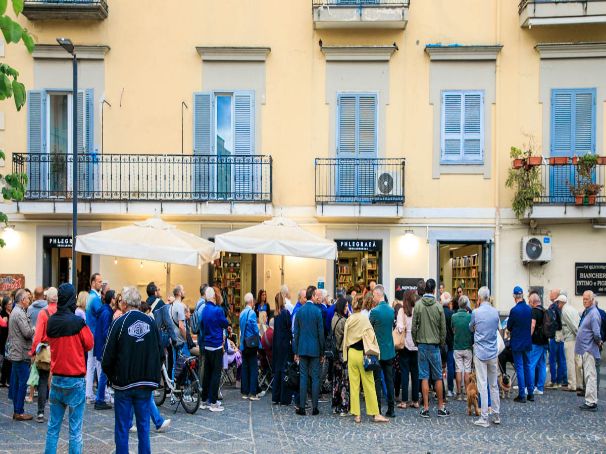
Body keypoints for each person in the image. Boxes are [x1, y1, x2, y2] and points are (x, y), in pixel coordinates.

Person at [102, 286, 162, 454]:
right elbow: (160, 351)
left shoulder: (119, 323)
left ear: (125, 303)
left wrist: (112, 377)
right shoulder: (150, 321)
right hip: (145, 382)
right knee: (144, 426)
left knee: (122, 427)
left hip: (124, 383)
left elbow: (107, 356)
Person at [44, 283, 94, 454]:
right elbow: (89, 344)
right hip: (75, 380)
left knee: (53, 428)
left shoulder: (51, 321)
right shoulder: (78, 322)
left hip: (57, 378)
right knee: (75, 430)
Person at [342, 294, 388, 423]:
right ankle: (375, 413)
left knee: (354, 385)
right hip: (363, 354)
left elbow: (345, 338)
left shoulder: (349, 319)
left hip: (351, 353)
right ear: (362, 305)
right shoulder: (364, 319)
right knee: (369, 384)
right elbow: (371, 336)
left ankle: (356, 414)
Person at [411, 279, 449, 418]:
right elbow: (443, 329)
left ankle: (426, 408)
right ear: (434, 291)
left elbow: (413, 327)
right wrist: (441, 342)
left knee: (424, 376)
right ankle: (440, 407)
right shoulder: (438, 307)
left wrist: (416, 341)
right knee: (438, 376)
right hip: (434, 345)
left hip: (422, 345)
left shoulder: (419, 305)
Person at [468, 287, 501, 427]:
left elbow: (470, 327)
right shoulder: (495, 312)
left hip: (481, 352)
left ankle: (484, 417)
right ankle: (497, 414)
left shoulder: (476, 312)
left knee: (482, 384)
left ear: (479, 298)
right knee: (494, 384)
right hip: (493, 352)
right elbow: (498, 328)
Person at [293, 286, 324, 416]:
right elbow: (320, 333)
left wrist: (296, 352)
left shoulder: (300, 311)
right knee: (316, 378)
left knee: (303, 377)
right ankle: (315, 407)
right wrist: (322, 352)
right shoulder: (317, 312)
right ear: (313, 296)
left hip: (302, 349)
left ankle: (302, 407)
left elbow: (296, 333)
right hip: (315, 349)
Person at [30, 287, 58, 422]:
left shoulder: (43, 313)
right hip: (59, 350)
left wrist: (33, 351)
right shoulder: (61, 312)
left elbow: (38, 336)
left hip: (46, 350)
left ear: (47, 298)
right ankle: (56, 411)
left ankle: (41, 412)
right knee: (57, 381)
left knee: (42, 380)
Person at [200, 286, 229, 412]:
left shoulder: (204, 310)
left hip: (207, 344)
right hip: (216, 345)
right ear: (213, 297)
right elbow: (225, 323)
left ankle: (203, 400)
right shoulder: (218, 310)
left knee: (207, 373)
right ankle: (213, 402)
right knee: (216, 374)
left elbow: (201, 325)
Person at [369, 284, 396, 417]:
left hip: (378, 351)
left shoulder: (375, 312)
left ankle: (378, 409)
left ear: (378, 295)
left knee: (377, 381)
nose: (373, 297)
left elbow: (370, 328)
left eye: (374, 295)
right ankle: (391, 409)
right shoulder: (391, 310)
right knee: (389, 380)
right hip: (389, 350)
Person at [7, 288, 34, 421]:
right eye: (28, 298)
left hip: (17, 351)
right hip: (20, 352)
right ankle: (19, 411)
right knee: (23, 381)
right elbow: (27, 332)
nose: (29, 300)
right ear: (22, 300)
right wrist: (35, 328)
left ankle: (17, 410)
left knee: (17, 381)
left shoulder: (16, 311)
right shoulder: (19, 313)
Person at [575, 290, 602, 411]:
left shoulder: (594, 313)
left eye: (586, 299)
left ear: (592, 300)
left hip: (589, 348)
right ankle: (589, 400)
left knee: (590, 375)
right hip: (586, 348)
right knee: (588, 375)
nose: (584, 301)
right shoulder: (588, 312)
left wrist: (598, 342)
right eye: (583, 299)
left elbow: (596, 333)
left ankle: (591, 402)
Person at [507, 286, 533, 403]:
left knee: (520, 367)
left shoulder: (514, 310)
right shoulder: (529, 309)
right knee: (527, 366)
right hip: (527, 341)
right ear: (522, 296)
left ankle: (522, 394)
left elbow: (509, 326)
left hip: (517, 342)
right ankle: (531, 393)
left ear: (514, 297)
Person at [396, 290, 419, 409]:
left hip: (404, 345)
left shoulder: (402, 310)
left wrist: (402, 328)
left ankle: (404, 401)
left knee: (404, 372)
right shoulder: (417, 309)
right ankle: (415, 400)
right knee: (415, 373)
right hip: (415, 345)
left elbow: (400, 328)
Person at [94, 290, 115, 410]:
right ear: (111, 299)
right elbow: (106, 331)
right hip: (104, 346)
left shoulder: (104, 310)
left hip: (101, 345)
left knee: (104, 374)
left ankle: (100, 398)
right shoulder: (107, 312)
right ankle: (100, 400)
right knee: (104, 374)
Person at [272, 292, 293, 406]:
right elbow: (289, 328)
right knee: (285, 370)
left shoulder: (276, 314)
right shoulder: (286, 313)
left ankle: (276, 396)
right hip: (285, 344)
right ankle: (284, 397)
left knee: (278, 370)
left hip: (277, 344)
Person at [85, 273, 103, 404]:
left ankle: (88, 393)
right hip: (95, 335)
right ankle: (99, 393)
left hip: (90, 334)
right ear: (93, 282)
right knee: (97, 364)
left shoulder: (90, 296)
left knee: (91, 364)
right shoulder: (95, 298)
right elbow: (101, 313)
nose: (101, 284)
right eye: (99, 282)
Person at [240, 292, 261, 401]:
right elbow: (255, 330)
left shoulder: (242, 313)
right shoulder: (252, 313)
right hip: (251, 344)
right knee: (253, 368)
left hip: (243, 344)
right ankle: (253, 393)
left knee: (245, 368)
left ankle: (244, 392)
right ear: (252, 302)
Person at [558, 293, 581, 392]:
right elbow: (579, 321)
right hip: (576, 339)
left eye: (558, 302)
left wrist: (578, 334)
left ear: (561, 302)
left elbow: (572, 325)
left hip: (570, 339)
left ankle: (572, 385)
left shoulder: (565, 311)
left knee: (570, 362)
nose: (558, 305)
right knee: (577, 362)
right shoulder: (573, 309)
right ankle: (579, 384)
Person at [452, 295, 473, 400]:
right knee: (467, 369)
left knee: (458, 369)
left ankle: (459, 393)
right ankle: (466, 393)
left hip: (457, 346)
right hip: (467, 346)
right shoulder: (470, 317)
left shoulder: (454, 317)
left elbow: (453, 330)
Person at [331, 297, 349, 416]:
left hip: (335, 353)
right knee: (344, 380)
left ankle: (335, 405)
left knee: (336, 380)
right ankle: (343, 406)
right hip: (342, 353)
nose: (347, 308)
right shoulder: (343, 321)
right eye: (346, 306)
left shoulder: (334, 318)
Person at [527, 292, 548, 395]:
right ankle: (540, 388)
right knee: (542, 364)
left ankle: (530, 388)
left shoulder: (534, 311)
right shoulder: (545, 310)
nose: (529, 304)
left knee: (531, 364)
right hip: (545, 341)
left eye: (529, 302)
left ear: (532, 302)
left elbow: (532, 325)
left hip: (536, 341)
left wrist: (528, 337)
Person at [546, 288, 567, 389]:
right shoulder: (561, 307)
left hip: (554, 336)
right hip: (561, 335)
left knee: (552, 359)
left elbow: (551, 323)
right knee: (561, 359)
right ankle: (559, 381)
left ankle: (554, 381)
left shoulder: (552, 307)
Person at [440, 291, 455, 398]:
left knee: (439, 367)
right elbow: (453, 329)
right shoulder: (452, 314)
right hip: (450, 343)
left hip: (440, 343)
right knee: (450, 366)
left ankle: (439, 390)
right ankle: (450, 389)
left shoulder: (439, 312)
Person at [0, 296, 12, 387]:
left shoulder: (11, 312)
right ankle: (4, 380)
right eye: (9, 304)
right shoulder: (3, 314)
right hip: (4, 340)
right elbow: (3, 329)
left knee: (8, 360)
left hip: (10, 339)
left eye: (11, 303)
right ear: (5, 305)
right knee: (6, 360)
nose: (11, 305)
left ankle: (6, 380)